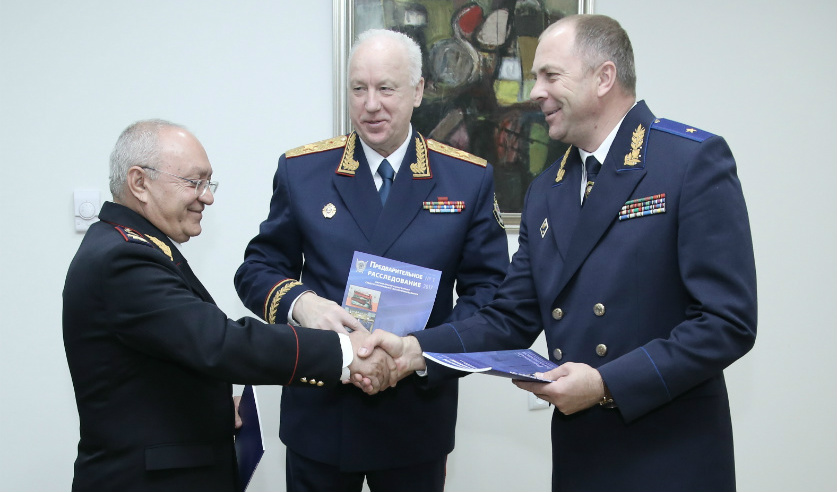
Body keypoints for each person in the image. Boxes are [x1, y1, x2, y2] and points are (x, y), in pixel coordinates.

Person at [360, 14, 757, 492]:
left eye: (550, 75)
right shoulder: (548, 189)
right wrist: (416, 350)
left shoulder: (688, 162)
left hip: (670, 455)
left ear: (603, 77)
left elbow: (726, 322)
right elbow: (510, 316)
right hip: (583, 455)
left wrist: (607, 384)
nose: (536, 92)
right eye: (535, 77)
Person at [234, 29, 509, 492]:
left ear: (418, 91)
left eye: (386, 88)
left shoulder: (466, 178)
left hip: (414, 415)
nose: (371, 105)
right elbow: (257, 269)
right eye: (358, 89)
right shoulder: (303, 171)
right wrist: (303, 304)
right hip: (321, 409)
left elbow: (490, 292)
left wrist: (420, 351)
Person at [62, 120, 394, 492]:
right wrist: (343, 351)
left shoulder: (133, 246)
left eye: (208, 183)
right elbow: (218, 342)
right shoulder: (123, 260)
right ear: (140, 182)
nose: (207, 197)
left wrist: (216, 406)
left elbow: (170, 357)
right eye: (194, 182)